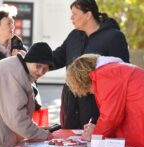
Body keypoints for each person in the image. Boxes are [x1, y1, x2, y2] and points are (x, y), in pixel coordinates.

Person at [52, 0, 130, 129]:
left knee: (93, 145)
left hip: (96, 107)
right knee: (69, 144)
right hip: (70, 105)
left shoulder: (114, 37)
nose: (71, 17)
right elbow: (57, 57)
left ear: (88, 15)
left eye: (75, 14)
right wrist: (31, 60)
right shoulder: (74, 36)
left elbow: (122, 75)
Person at [66, 53, 144, 147]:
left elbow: (110, 117)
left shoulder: (105, 75)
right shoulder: (114, 69)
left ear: (82, 79)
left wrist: (93, 136)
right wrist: (96, 128)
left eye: (87, 90)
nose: (91, 92)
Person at [0, 42, 54, 147]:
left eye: (45, 69)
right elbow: (16, 118)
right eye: (38, 66)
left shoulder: (18, 68)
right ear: (29, 60)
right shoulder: (12, 73)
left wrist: (36, 129)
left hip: (2, 132)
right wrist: (43, 134)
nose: (41, 72)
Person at [0, 5, 26, 73]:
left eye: (13, 23)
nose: (13, 27)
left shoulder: (19, 47)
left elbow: (30, 78)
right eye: (9, 23)